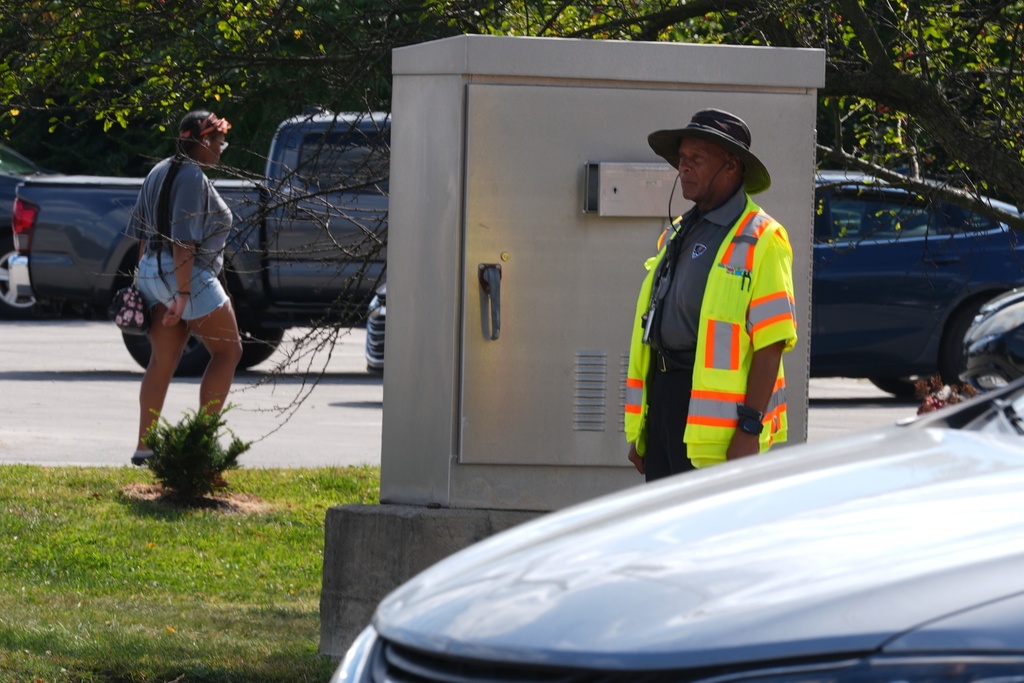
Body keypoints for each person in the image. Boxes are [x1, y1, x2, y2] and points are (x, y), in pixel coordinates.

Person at [624, 108, 798, 481]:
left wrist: (749, 429)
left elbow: (772, 343)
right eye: (681, 160)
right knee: (666, 531)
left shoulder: (764, 237)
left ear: (731, 166)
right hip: (666, 401)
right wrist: (646, 430)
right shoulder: (679, 232)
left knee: (707, 536)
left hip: (720, 429)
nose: (683, 168)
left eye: (696, 159)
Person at [127, 110, 243, 466]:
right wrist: (181, 296)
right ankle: (201, 447)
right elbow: (183, 242)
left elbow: (144, 236)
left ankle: (144, 448)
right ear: (203, 141)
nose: (222, 146)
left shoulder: (157, 170)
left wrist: (146, 284)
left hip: (152, 271)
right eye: (218, 139)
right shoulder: (192, 177)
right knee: (229, 352)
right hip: (186, 276)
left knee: (162, 360)